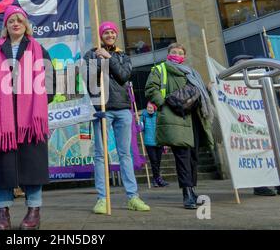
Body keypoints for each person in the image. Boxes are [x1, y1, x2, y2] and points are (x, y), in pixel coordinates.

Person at [0, 5, 55, 230]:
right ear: (6, 26)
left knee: (32, 166)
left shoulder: (39, 49)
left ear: (26, 24)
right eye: (11, 21)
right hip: (1, 121)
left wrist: (36, 105)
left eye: (20, 20)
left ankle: (34, 211)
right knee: (2, 167)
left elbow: (49, 81)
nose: (16, 24)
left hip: (30, 120)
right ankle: (3, 214)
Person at [84, 21, 150, 214]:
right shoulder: (92, 53)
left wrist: (109, 58)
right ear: (101, 35)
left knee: (125, 154)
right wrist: (100, 60)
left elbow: (123, 76)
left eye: (112, 32)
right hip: (102, 108)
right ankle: (102, 199)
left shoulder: (123, 56)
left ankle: (133, 197)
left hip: (122, 109)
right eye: (106, 32)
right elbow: (89, 78)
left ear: (116, 35)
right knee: (100, 154)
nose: (110, 35)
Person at [145, 43, 214, 209]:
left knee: (193, 157)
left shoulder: (192, 73)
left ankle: (192, 189)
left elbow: (197, 95)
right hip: (176, 118)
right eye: (174, 51)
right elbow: (150, 89)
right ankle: (187, 193)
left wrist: (207, 89)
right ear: (168, 53)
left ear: (184, 56)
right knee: (182, 157)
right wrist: (164, 104)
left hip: (195, 120)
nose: (177, 54)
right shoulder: (161, 69)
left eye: (180, 52)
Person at [231, 54, 280, 197]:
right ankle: (260, 184)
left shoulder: (262, 75)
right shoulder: (233, 80)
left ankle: (277, 182)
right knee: (256, 152)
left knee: (273, 150)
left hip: (267, 119)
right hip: (248, 125)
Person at [140, 101, 169, 187]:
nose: (149, 109)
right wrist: (139, 124)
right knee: (154, 161)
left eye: (151, 108)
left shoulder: (158, 115)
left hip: (159, 142)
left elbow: (163, 128)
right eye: (148, 107)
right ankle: (157, 179)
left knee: (158, 162)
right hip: (149, 142)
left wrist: (165, 142)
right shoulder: (143, 116)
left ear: (154, 108)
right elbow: (141, 128)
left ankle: (156, 179)